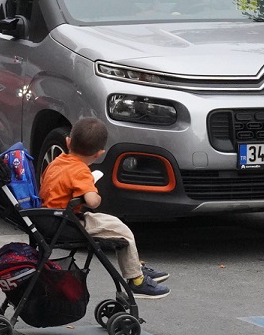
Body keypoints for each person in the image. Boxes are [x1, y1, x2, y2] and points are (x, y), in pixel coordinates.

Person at [38, 117, 170, 299]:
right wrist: (94, 191)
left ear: (68, 142)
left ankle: (135, 266)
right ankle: (136, 280)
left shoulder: (57, 162)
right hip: (65, 223)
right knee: (122, 232)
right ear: (99, 154)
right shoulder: (80, 171)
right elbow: (92, 202)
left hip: (48, 217)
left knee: (113, 223)